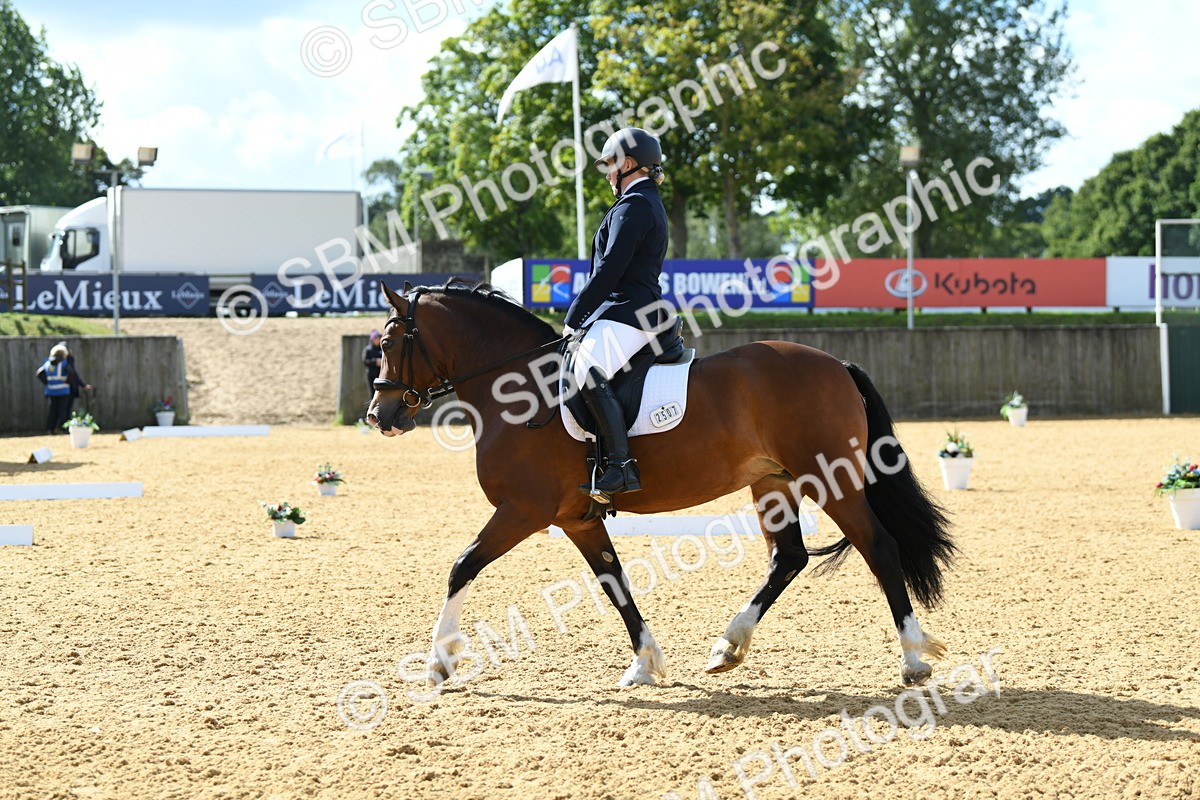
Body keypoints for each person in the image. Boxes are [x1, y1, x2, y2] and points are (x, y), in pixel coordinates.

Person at [563, 127, 670, 498]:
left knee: (587, 370)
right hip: (626, 311)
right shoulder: (639, 202)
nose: (608, 175)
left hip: (631, 311)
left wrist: (574, 316)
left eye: (610, 166)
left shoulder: (636, 205)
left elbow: (610, 270)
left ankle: (621, 466)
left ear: (627, 164)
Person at [35, 344, 75, 434]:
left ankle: (50, 428)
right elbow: (71, 373)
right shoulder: (64, 363)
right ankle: (62, 428)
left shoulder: (47, 363)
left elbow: (39, 373)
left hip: (51, 390)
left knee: (52, 410)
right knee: (63, 410)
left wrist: (46, 382)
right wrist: (67, 382)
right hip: (63, 390)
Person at [363, 330, 383, 394]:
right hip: (371, 375)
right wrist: (375, 361)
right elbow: (365, 361)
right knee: (373, 393)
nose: (377, 340)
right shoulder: (368, 349)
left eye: (378, 338)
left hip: (381, 375)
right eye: (375, 338)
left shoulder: (382, 349)